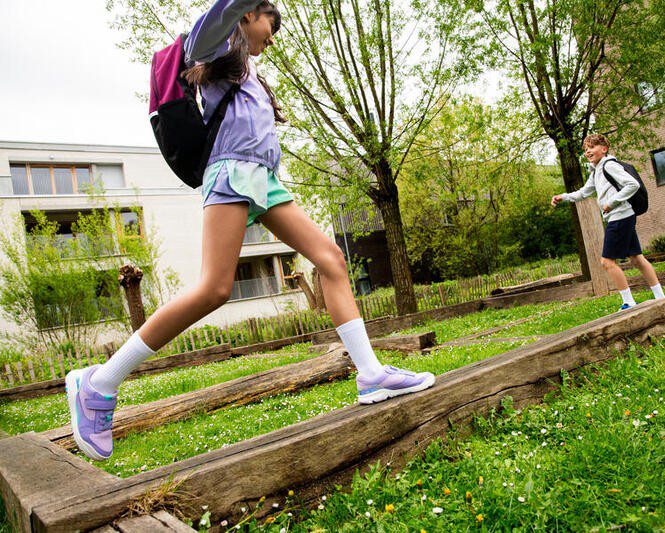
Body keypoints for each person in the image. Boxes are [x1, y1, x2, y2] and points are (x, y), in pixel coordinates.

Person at [65, 0, 434, 462]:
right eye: (269, 24)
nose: (272, 37)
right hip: (230, 174)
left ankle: (371, 374)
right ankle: (99, 383)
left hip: (264, 179)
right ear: (248, 14)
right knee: (215, 289)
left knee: (331, 259)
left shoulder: (250, 72)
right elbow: (221, 14)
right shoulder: (213, 44)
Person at [550, 133, 665, 311]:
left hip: (620, 216)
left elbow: (632, 184)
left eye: (592, 147)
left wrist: (612, 203)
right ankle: (660, 297)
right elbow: (583, 192)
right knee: (637, 258)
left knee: (607, 262)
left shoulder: (609, 166)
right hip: (622, 216)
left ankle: (629, 303)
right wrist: (562, 197)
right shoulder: (596, 171)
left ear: (604, 149)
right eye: (586, 149)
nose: (588, 151)